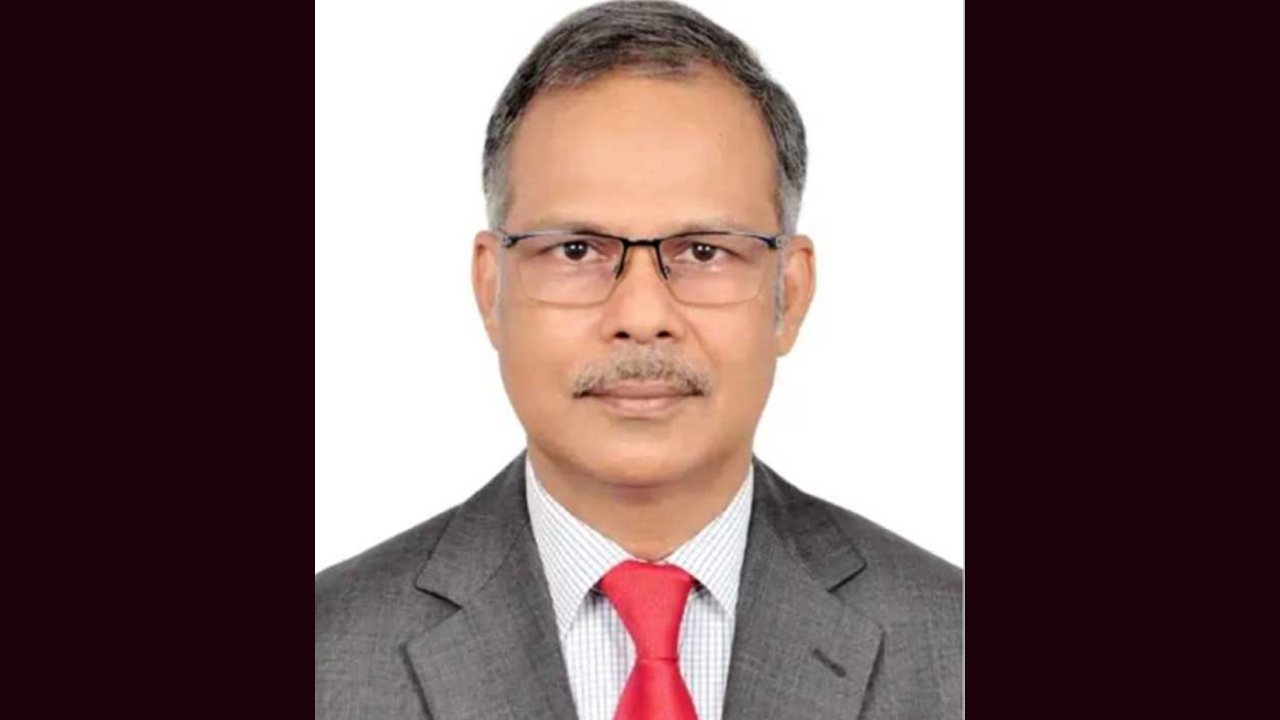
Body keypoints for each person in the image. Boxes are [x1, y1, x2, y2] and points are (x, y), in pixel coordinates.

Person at [314, 2, 962, 718]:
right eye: (576, 250)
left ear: (792, 290)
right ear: (490, 287)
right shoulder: (326, 657)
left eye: (704, 251)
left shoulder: (953, 647)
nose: (642, 316)